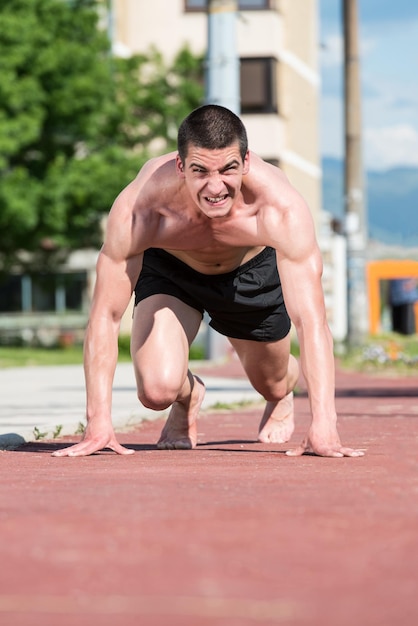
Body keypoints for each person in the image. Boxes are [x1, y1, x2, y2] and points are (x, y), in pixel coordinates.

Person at [53, 104, 364, 459]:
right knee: (156, 390)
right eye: (200, 170)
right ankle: (189, 395)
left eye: (228, 169)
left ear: (246, 162)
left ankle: (281, 395)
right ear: (181, 166)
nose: (215, 187)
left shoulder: (278, 207)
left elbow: (311, 323)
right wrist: (98, 422)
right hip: (172, 270)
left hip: (249, 274)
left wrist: (324, 424)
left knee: (274, 383)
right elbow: (104, 317)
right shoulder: (142, 208)